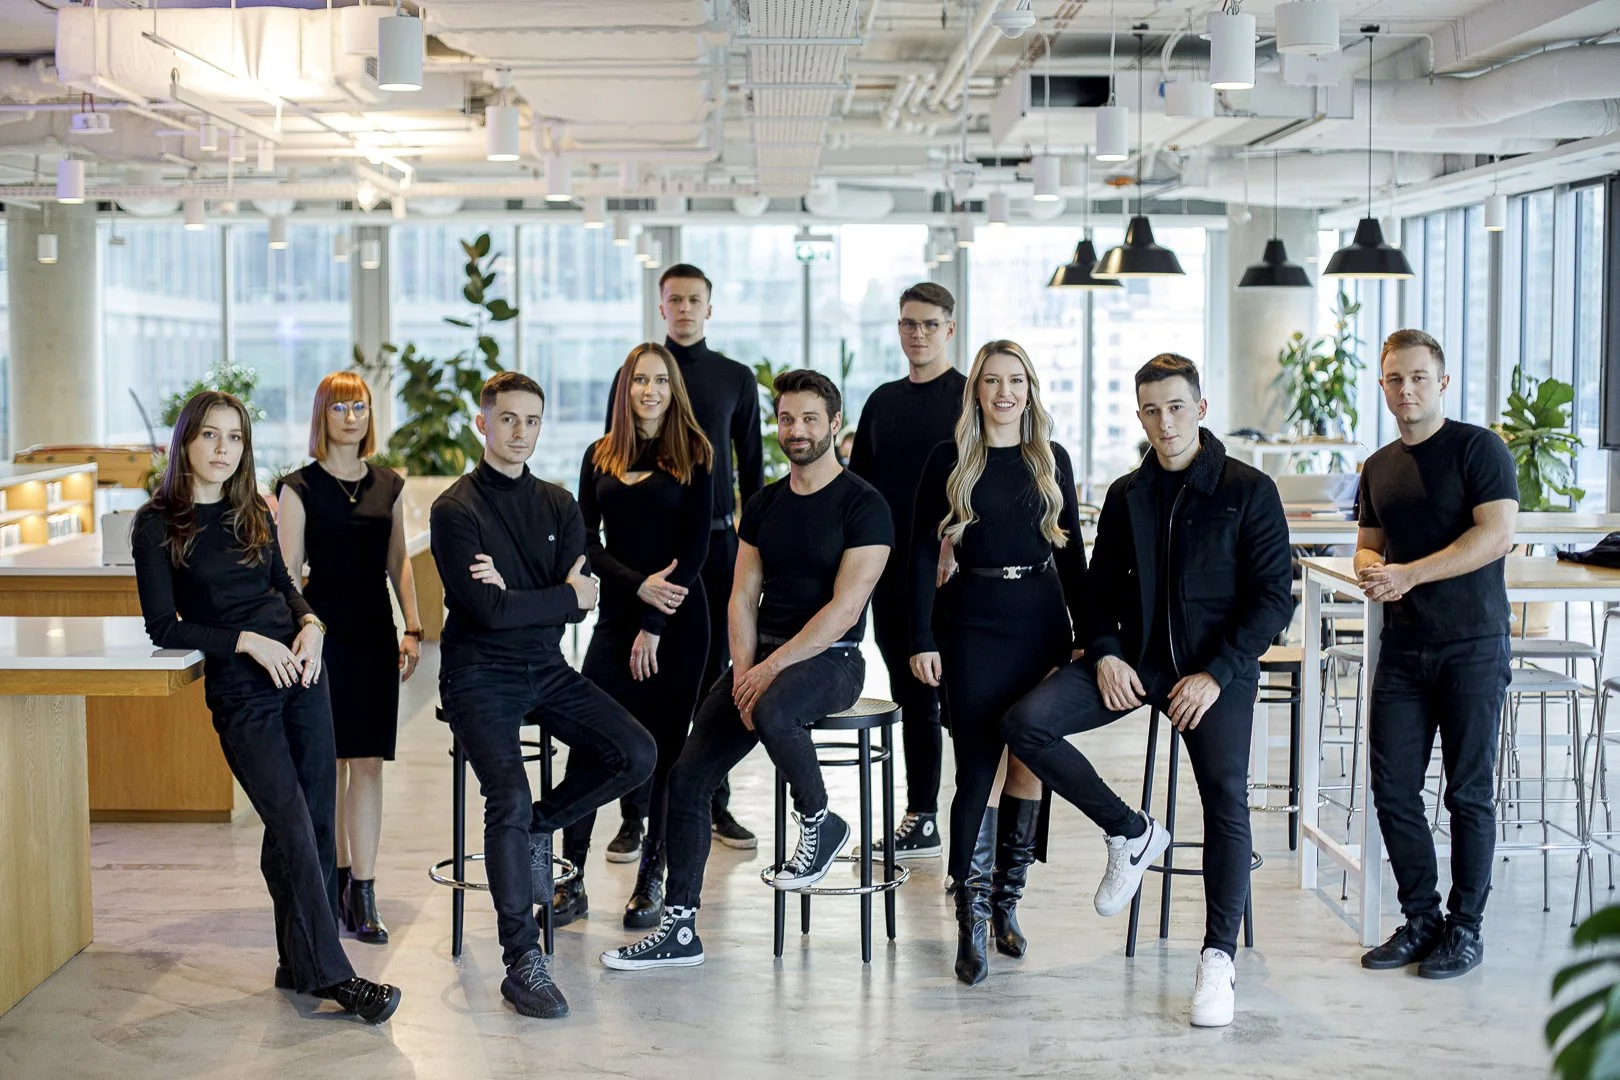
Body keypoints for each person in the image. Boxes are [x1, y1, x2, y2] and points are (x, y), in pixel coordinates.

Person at [1002, 354, 1292, 1028]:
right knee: (1027, 723)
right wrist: (1103, 653)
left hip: (1214, 674)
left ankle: (1217, 958)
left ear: (1201, 408)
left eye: (1177, 407)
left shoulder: (1248, 489)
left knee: (1224, 796)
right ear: (1139, 415)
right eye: (1152, 410)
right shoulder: (1131, 493)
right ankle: (1130, 832)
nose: (1166, 422)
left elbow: (1272, 597)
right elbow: (1098, 594)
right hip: (1136, 667)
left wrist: (1217, 674)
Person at [600, 369, 891, 970]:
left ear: (834, 424)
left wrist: (767, 672)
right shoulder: (764, 504)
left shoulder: (865, 504)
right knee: (687, 777)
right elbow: (742, 593)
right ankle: (680, 927)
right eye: (787, 418)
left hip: (831, 660)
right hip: (761, 662)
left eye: (811, 418)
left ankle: (821, 820)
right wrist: (742, 669)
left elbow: (844, 609)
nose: (798, 430)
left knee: (775, 707)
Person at [131, 390, 401, 1023]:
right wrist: (244, 643)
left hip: (304, 673)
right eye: (210, 437)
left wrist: (312, 625)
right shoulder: (157, 523)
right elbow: (163, 626)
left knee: (313, 820)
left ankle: (297, 960)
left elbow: (285, 584)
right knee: (291, 826)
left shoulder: (252, 509)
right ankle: (335, 976)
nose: (223, 450)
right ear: (186, 443)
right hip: (243, 689)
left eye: (235, 438)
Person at [432, 371, 656, 1020]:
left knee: (635, 753)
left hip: (546, 666)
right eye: (507, 420)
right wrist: (545, 598)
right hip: (477, 674)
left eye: (531, 421)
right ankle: (521, 960)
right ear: (483, 423)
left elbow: (576, 612)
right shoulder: (455, 510)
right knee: (506, 793)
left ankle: (541, 827)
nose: (520, 433)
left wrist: (519, 598)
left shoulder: (561, 505)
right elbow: (487, 612)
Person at [909, 340, 1086, 985]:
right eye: (992, 381)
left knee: (1028, 760)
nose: (1004, 392)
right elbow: (917, 558)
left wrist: (1088, 636)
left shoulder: (1051, 461)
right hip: (972, 625)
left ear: (1030, 389)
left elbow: (1072, 559)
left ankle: (1006, 904)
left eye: (1016, 380)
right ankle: (970, 917)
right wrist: (922, 636)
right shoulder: (948, 460)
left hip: (1041, 622)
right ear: (976, 391)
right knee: (976, 767)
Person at [1354, 329, 1516, 980]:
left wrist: (1411, 574)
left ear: (1441, 382)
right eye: (1395, 379)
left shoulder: (1480, 449)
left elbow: (1497, 535)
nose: (1406, 389)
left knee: (1468, 795)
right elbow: (1369, 542)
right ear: (1384, 386)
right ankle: (1422, 920)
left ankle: (1465, 930)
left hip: (1473, 644)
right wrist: (1373, 568)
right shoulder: (1379, 465)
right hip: (1405, 647)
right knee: (1392, 791)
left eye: (1418, 377)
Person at [602, 263, 764, 855]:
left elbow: (752, 469)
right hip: (642, 553)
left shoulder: (735, 378)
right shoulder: (635, 375)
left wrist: (755, 547)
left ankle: (710, 802)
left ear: (709, 308)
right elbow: (612, 463)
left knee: (710, 681)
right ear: (662, 307)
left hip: (717, 546)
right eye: (676, 300)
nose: (686, 309)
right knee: (635, 681)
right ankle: (633, 813)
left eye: (696, 300)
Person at [552, 344, 714, 932]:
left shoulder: (695, 452)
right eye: (640, 380)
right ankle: (569, 878)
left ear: (674, 390)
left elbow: (696, 547)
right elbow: (587, 545)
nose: (650, 390)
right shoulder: (600, 456)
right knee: (589, 739)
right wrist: (635, 590)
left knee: (668, 753)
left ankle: (651, 880)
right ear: (625, 388)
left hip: (679, 619)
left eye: (660, 381)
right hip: (618, 613)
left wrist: (655, 619)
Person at [276, 371, 421, 946]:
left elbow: (399, 562)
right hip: (320, 633)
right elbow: (286, 574)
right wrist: (298, 636)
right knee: (327, 763)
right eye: (339, 406)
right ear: (322, 415)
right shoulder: (299, 487)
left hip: (373, 634)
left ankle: (364, 891)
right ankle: (334, 882)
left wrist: (412, 626)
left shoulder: (390, 484)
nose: (350, 415)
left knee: (368, 763)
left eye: (358, 405)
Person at [847, 281, 967, 861]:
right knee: (912, 694)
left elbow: (989, 486)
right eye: (907, 324)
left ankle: (974, 819)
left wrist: (955, 543)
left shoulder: (971, 399)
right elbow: (860, 493)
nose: (916, 334)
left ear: (949, 328)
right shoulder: (881, 402)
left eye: (928, 324)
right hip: (891, 576)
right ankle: (922, 815)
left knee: (963, 701)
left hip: (955, 575)